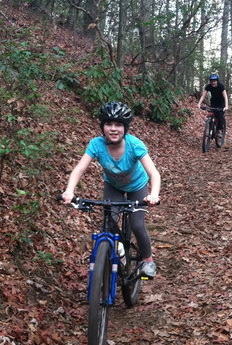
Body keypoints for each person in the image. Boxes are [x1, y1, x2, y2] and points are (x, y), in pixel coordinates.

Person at [61, 101, 161, 278]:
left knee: (137, 224)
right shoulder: (96, 145)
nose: (113, 129)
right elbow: (79, 169)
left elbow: (153, 173)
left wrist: (153, 195)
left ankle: (148, 261)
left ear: (125, 128)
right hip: (113, 186)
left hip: (137, 187)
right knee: (108, 225)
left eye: (118, 125)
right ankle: (118, 250)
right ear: (102, 127)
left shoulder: (134, 145)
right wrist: (69, 191)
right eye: (108, 124)